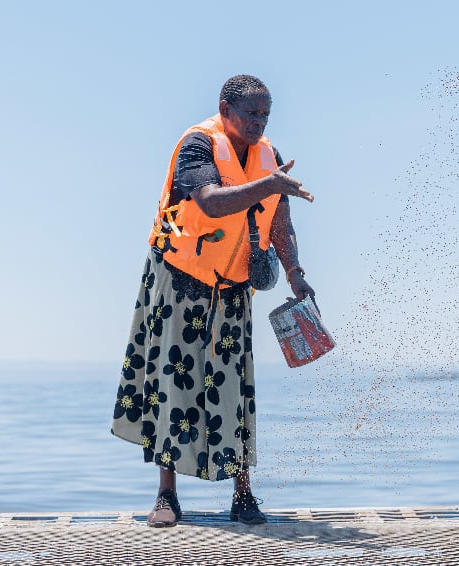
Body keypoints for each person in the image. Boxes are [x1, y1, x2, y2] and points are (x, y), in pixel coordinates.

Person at [110, 75, 315, 528]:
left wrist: (296, 274)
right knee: (172, 382)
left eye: (266, 114)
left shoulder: (270, 160)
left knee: (235, 386)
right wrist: (269, 186)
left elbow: (280, 223)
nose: (259, 123)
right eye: (250, 113)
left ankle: (243, 494)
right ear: (225, 109)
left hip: (232, 284)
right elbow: (210, 203)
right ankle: (166, 495)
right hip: (179, 279)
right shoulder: (198, 146)